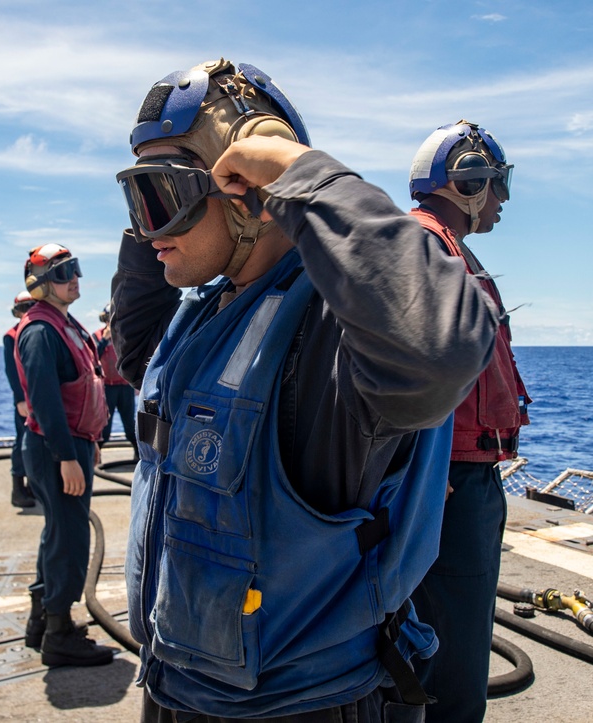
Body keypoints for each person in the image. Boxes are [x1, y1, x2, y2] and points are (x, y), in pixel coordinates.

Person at [111, 59, 499, 721]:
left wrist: (300, 173)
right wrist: (159, 219)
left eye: (160, 195)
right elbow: (135, 348)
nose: (148, 230)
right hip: (178, 691)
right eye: (134, 198)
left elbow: (439, 343)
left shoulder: (324, 339)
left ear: (248, 190)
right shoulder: (204, 317)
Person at [407, 121, 531, 723]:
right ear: (469, 179)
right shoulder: (428, 245)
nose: (503, 198)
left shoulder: (445, 247)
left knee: (454, 638)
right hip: (451, 482)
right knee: (452, 660)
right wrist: (419, 466)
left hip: (459, 476)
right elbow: (406, 361)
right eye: (498, 183)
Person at [13, 243, 114, 667]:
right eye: (62, 272)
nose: (74, 278)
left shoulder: (64, 324)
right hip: (58, 447)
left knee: (58, 532)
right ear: (40, 284)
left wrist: (87, 445)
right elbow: (45, 400)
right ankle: (60, 634)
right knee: (70, 538)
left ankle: (42, 622)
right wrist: (66, 456)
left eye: (74, 269)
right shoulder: (40, 331)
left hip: (72, 444)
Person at [3, 290, 37, 508]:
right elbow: (12, 371)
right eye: (23, 308)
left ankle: (34, 486)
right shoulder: (12, 335)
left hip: (38, 397)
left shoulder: (36, 332)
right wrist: (20, 400)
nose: (27, 312)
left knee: (35, 443)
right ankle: (18, 488)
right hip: (25, 400)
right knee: (22, 442)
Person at [94, 301, 138, 453]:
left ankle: (139, 456)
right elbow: (93, 359)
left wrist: (137, 382)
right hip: (107, 388)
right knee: (104, 425)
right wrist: (103, 341)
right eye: (107, 319)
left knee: (130, 425)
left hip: (125, 386)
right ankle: (96, 455)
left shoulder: (125, 336)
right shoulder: (97, 337)